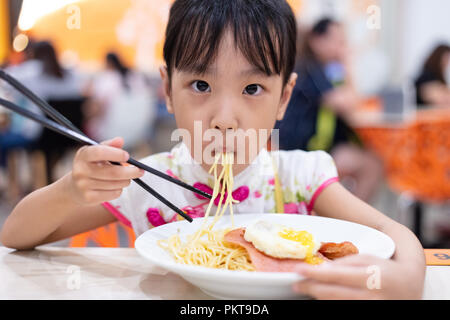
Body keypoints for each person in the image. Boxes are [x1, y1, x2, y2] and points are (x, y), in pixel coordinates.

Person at [1, 0, 425, 300]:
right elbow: (16, 236)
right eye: (201, 85)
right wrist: (72, 191)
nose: (225, 117)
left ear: (283, 97)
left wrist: (406, 279)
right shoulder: (145, 182)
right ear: (167, 89)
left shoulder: (299, 177)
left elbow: (393, 233)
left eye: (253, 88)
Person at [275, 17, 383, 203]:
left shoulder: (322, 69)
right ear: (317, 42)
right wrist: (348, 63)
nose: (342, 46)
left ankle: (347, 216)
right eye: (337, 41)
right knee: (372, 166)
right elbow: (348, 103)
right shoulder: (311, 71)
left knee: (370, 160)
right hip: (305, 152)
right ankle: (353, 220)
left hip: (315, 147)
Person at [83, 52, 156, 151]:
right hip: (139, 133)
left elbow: (95, 108)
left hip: (109, 134)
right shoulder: (136, 76)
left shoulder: (107, 78)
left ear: (108, 63)